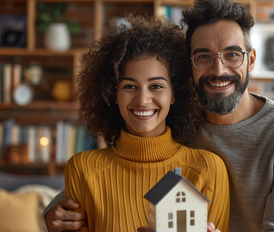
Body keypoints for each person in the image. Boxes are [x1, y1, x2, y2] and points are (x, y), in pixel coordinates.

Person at [45, 0, 274, 232]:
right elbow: (111, 177)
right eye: (203, 56)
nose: (218, 69)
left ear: (250, 60)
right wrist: (54, 211)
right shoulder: (174, 118)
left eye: (232, 54)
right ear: (188, 66)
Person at [59, 15, 229, 232]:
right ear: (113, 95)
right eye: (130, 87)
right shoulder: (83, 169)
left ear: (174, 94)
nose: (142, 100)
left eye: (156, 86)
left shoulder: (208, 169)